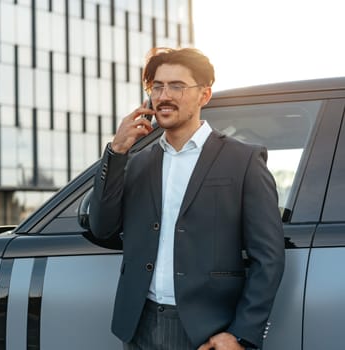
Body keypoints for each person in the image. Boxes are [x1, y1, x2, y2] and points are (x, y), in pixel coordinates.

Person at [88, 47, 285, 350]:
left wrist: (241, 334)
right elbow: (102, 228)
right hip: (138, 326)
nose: (164, 95)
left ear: (204, 95)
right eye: (157, 86)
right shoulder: (137, 163)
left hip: (206, 332)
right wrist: (116, 153)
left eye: (177, 86)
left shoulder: (242, 160)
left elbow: (268, 258)